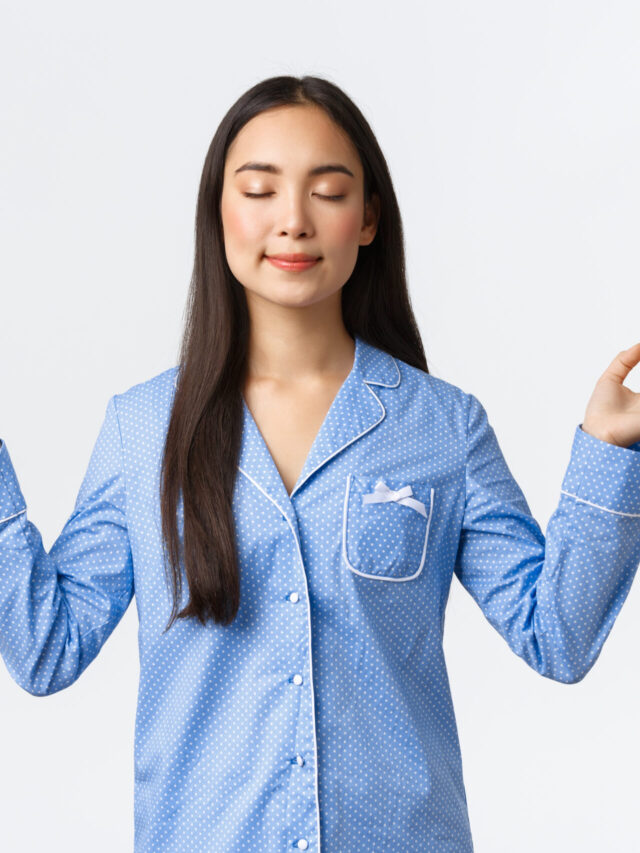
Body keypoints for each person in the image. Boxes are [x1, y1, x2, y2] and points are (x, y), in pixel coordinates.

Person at [1, 75, 640, 853]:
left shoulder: (442, 427)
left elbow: (559, 634)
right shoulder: (143, 428)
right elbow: (44, 646)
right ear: (219, 214)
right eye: (260, 190)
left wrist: (610, 450)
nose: (293, 222)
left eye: (328, 191)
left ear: (368, 218)